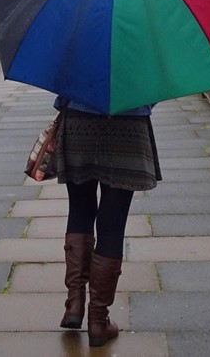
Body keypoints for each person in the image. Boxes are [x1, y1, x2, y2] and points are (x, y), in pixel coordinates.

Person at [53, 94, 161, 347]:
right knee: (113, 222)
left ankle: (74, 304)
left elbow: (58, 77)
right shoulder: (143, 51)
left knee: (79, 208)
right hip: (129, 125)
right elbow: (156, 87)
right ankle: (98, 321)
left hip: (79, 121)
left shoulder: (75, 50)